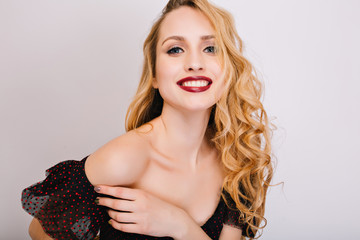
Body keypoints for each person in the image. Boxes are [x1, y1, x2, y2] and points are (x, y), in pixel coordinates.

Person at [21, 0, 274, 239]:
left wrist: (180, 225)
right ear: (154, 75)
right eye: (175, 49)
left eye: (210, 48)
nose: (195, 63)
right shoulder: (123, 159)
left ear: (228, 68)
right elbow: (39, 231)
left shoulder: (235, 156)